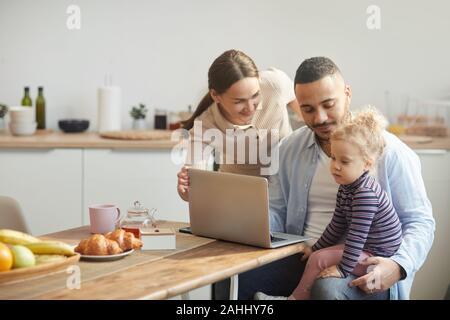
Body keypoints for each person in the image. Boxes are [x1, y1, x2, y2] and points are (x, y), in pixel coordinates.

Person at [219, 56, 434, 300]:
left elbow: (421, 222)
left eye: (328, 104)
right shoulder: (288, 149)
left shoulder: (391, 152)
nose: (319, 118)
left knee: (326, 289)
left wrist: (398, 266)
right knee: (231, 274)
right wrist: (243, 229)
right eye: (308, 109)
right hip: (304, 254)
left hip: (365, 263)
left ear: (347, 94)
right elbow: (277, 210)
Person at [255, 107, 403, 300]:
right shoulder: (347, 186)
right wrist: (315, 247)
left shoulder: (365, 194)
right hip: (365, 249)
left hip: (377, 258)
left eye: (345, 161)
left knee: (320, 259)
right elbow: (337, 224)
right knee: (317, 255)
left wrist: (342, 269)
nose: (335, 166)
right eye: (333, 157)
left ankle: (294, 299)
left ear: (367, 164)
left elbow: (357, 237)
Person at [176, 49, 300, 201]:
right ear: (215, 96)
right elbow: (195, 185)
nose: (250, 107)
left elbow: (308, 115)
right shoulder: (206, 124)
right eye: (239, 101)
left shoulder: (274, 85)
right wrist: (187, 190)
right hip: (238, 194)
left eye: (255, 96)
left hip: (287, 184)